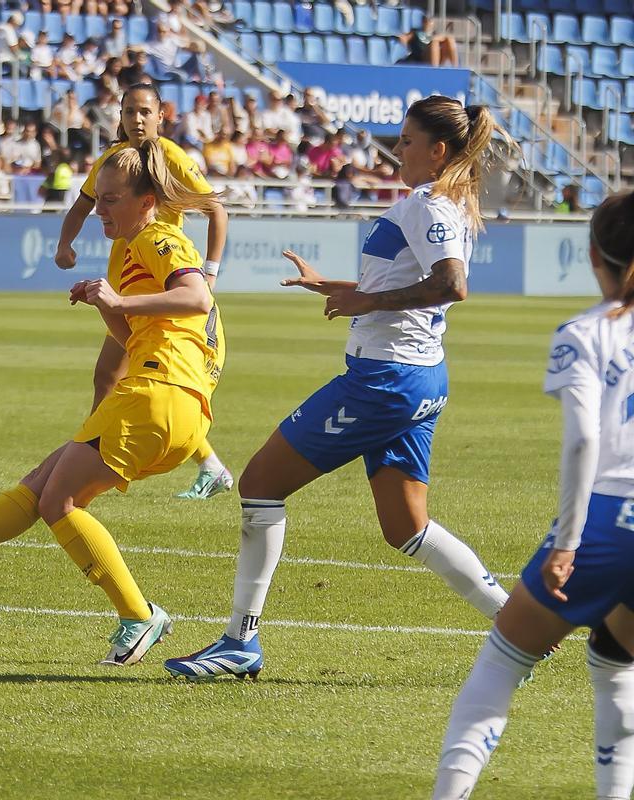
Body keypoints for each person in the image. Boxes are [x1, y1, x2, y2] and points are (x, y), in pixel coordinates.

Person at [164, 97, 516, 680]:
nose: (398, 150)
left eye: (406, 141)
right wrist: (331, 285)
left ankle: (238, 643)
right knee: (407, 529)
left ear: (439, 151)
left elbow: (451, 285)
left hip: (384, 380)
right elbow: (407, 279)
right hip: (419, 376)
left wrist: (365, 301)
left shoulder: (428, 205)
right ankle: (516, 623)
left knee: (259, 484)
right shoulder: (447, 205)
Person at [0, 139, 225, 666]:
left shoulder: (161, 238)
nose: (98, 209)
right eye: (97, 197)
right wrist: (106, 306)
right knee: (39, 487)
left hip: (159, 392)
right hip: (160, 393)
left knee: (60, 503)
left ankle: (140, 616)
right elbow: (133, 336)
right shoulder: (129, 247)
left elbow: (198, 297)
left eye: (111, 199)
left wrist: (118, 299)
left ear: (147, 201)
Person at [432, 192, 634, 800]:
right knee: (616, 663)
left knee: (504, 659)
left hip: (605, 517)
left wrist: (567, 543)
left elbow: (583, 441)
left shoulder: (586, 332)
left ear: (593, 254)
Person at [54, 82, 234, 500]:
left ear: (160, 116)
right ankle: (208, 465)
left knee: (122, 376)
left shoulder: (169, 156)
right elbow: (81, 205)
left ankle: (87, 468)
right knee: (113, 375)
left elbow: (215, 209)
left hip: (159, 285)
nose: (137, 119)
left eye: (145, 112)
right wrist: (64, 244)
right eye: (129, 111)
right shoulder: (114, 160)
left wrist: (208, 273)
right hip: (128, 284)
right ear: (118, 115)